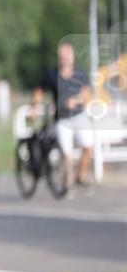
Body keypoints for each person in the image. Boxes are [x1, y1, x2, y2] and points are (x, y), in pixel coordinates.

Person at [42, 41, 94, 189]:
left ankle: (80, 175)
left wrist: (75, 100)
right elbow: (40, 89)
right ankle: (68, 181)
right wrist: (34, 107)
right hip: (62, 119)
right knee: (67, 152)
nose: (64, 58)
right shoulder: (52, 75)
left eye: (67, 55)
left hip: (79, 116)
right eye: (62, 55)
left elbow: (87, 92)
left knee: (88, 147)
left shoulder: (80, 73)